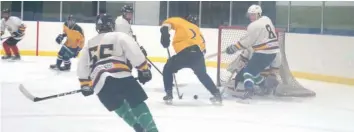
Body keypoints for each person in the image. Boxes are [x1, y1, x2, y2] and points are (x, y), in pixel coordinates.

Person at [77, 13, 158, 132]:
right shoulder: (118, 35)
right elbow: (133, 51)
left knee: (118, 106)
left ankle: (138, 128)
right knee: (136, 102)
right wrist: (143, 69)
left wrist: (85, 83)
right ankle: (152, 130)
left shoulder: (89, 44)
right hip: (121, 75)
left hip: (99, 82)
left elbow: (82, 65)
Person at [160, 15, 222, 105]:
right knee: (203, 75)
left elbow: (166, 24)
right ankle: (216, 94)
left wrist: (165, 34)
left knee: (168, 69)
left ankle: (169, 94)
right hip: (198, 54)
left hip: (185, 53)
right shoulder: (197, 29)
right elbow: (203, 49)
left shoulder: (181, 21)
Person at [225, 4, 280, 99]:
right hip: (273, 52)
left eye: (253, 14)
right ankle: (265, 86)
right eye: (250, 14)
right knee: (253, 72)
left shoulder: (253, 25)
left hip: (264, 53)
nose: (251, 16)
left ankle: (249, 92)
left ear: (258, 14)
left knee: (248, 72)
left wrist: (233, 48)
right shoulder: (267, 19)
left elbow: (246, 42)